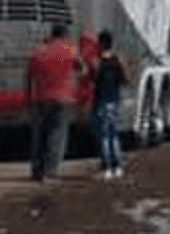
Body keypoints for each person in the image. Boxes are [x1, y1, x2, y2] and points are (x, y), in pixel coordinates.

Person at [26, 22, 86, 182]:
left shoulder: (38, 50)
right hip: (63, 99)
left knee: (38, 137)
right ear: (65, 34)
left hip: (39, 99)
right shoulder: (70, 49)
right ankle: (50, 172)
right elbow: (83, 69)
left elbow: (28, 76)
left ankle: (36, 171)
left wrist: (28, 98)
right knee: (57, 135)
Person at [91, 29, 130, 179]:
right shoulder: (117, 60)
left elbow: (94, 81)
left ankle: (107, 168)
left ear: (101, 43)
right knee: (114, 135)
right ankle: (118, 166)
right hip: (115, 101)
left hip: (102, 102)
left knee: (104, 137)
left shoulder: (98, 62)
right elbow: (125, 81)